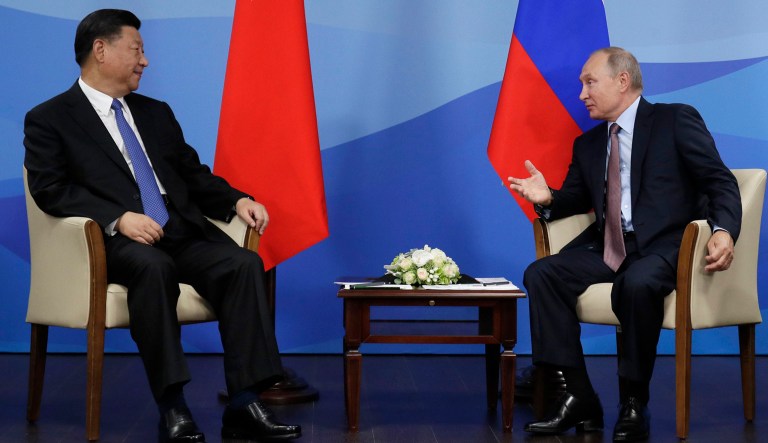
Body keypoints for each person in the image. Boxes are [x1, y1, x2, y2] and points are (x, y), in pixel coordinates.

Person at [24, 9, 301, 443]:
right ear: (101, 50)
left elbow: (191, 173)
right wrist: (117, 219)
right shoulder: (51, 118)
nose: (145, 61)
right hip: (112, 243)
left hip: (177, 231)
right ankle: (172, 407)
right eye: (136, 49)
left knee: (243, 264)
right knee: (154, 268)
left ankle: (246, 401)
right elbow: (50, 189)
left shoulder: (154, 112)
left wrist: (237, 199)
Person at [508, 47, 741, 442]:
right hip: (611, 248)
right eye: (581, 84)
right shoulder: (589, 144)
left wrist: (723, 230)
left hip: (666, 247)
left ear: (622, 80)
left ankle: (634, 402)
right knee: (541, 274)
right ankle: (577, 396)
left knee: (636, 284)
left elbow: (719, 181)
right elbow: (576, 200)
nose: (581, 93)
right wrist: (548, 197)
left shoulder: (674, 120)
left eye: (589, 82)